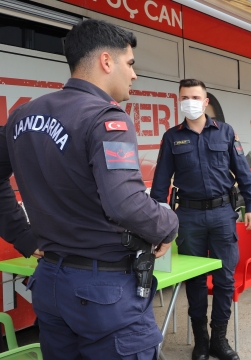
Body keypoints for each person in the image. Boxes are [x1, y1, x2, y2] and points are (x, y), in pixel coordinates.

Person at [0, 19, 179, 359]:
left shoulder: (21, 115)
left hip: (51, 285)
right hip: (104, 293)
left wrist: (22, 237)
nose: (134, 75)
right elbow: (126, 204)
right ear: (106, 62)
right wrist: (169, 225)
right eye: (130, 64)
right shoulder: (106, 118)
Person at [151, 79, 251, 360]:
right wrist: (157, 223)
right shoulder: (172, 137)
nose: (190, 101)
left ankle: (219, 341)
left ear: (205, 100)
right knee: (196, 282)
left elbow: (243, 173)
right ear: (180, 100)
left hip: (223, 214)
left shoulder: (225, 132)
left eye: (195, 96)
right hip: (188, 217)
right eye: (184, 97)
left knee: (224, 280)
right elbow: (160, 184)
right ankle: (201, 341)